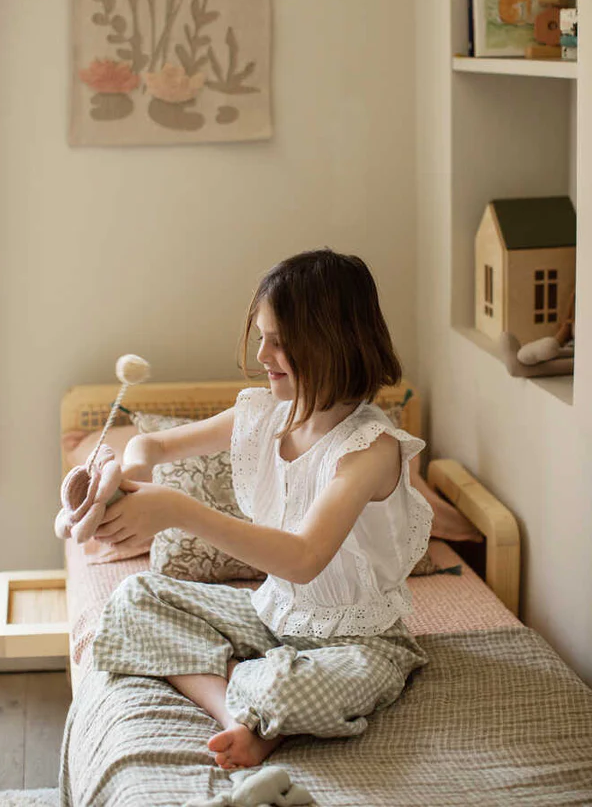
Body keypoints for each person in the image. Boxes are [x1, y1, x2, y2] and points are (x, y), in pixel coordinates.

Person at [91, 248, 433, 770]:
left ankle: (260, 698)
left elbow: (302, 558)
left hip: (360, 641)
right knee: (133, 598)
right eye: (260, 337)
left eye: (279, 341)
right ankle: (238, 714)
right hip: (270, 615)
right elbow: (152, 446)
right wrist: (134, 478)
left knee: (291, 688)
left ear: (331, 341)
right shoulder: (262, 413)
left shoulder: (369, 450)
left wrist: (180, 510)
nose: (262, 355)